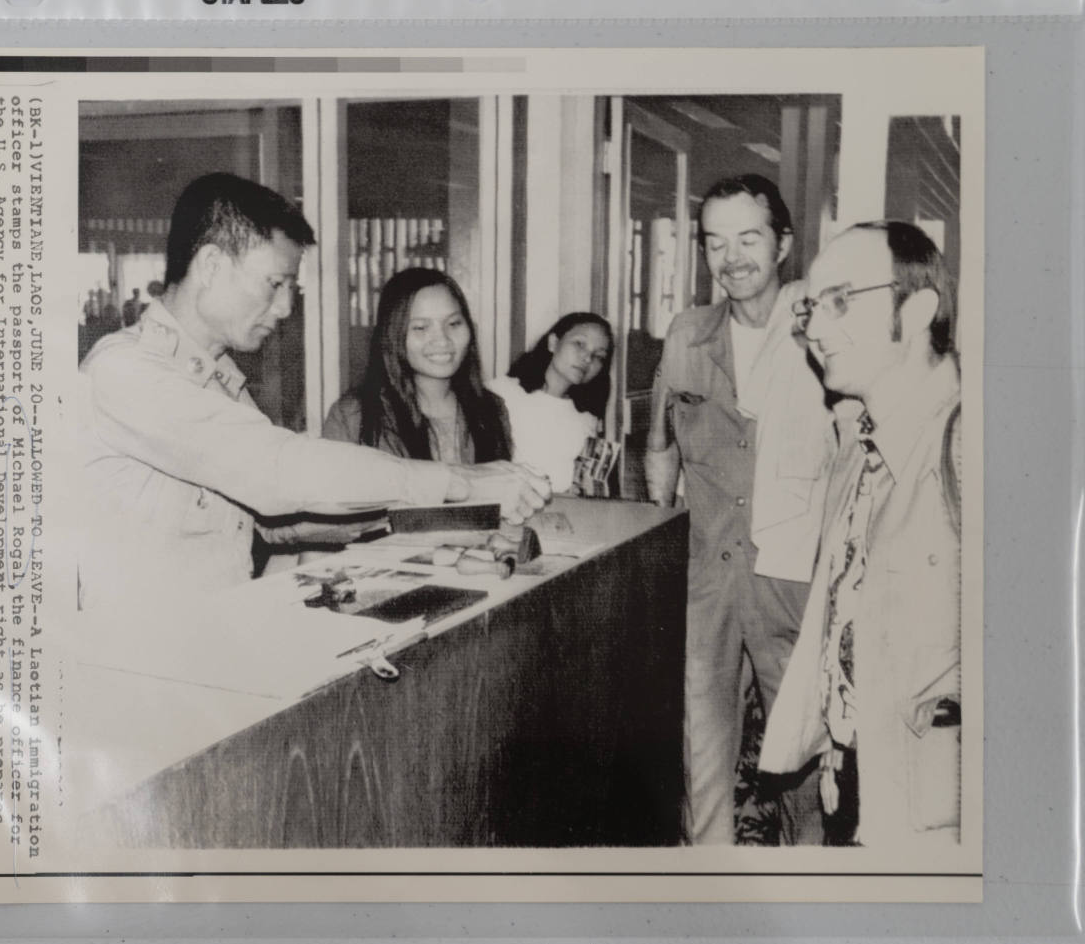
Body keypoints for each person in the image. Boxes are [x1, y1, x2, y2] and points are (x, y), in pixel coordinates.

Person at [79, 173, 552, 616]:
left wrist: (406, 515)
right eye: (275, 284)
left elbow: (274, 521)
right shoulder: (127, 370)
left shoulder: (219, 382)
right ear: (211, 264)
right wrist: (459, 481)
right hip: (138, 659)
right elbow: (279, 471)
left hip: (210, 640)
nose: (285, 307)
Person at [645, 174, 835, 845]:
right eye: (715, 243)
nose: (731, 258)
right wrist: (660, 541)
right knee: (703, 757)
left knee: (805, 759)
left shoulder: (823, 331)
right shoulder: (686, 335)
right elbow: (660, 448)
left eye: (748, 238)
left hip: (795, 582)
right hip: (708, 579)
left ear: (784, 243)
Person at [760, 221, 962, 847]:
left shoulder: (970, 445)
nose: (816, 329)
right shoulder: (859, 443)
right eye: (811, 307)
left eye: (842, 300)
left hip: (935, 815)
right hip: (853, 778)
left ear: (920, 307)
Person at [322, 267, 512, 465]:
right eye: (421, 327)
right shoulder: (354, 416)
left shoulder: (492, 410)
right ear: (393, 334)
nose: (442, 340)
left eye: (454, 323)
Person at [488, 312, 614, 494]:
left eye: (599, 356)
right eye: (579, 344)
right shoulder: (501, 393)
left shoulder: (587, 418)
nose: (587, 359)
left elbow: (585, 487)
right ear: (553, 343)